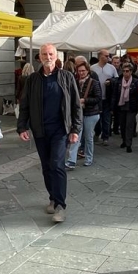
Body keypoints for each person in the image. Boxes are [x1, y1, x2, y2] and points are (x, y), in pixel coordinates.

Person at [17, 43, 82, 222]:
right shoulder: (32, 80)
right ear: (40, 57)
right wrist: (22, 126)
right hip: (40, 130)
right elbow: (25, 105)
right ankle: (53, 197)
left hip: (60, 130)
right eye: (44, 54)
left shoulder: (66, 77)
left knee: (57, 164)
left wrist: (75, 129)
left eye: (51, 54)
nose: (48, 57)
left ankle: (60, 205)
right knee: (46, 167)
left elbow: (76, 105)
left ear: (56, 56)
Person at [66, 62, 101, 169]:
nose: (81, 73)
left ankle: (89, 158)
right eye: (79, 71)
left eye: (83, 71)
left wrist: (84, 100)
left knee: (88, 137)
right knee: (75, 136)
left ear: (88, 71)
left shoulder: (94, 82)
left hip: (91, 113)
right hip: (78, 114)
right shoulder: (75, 82)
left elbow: (98, 98)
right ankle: (71, 160)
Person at [91, 49, 118, 145]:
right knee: (97, 118)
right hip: (96, 98)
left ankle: (105, 136)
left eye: (108, 56)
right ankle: (97, 132)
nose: (108, 58)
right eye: (106, 56)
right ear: (100, 56)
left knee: (106, 118)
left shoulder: (112, 68)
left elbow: (117, 80)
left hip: (107, 97)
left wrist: (110, 81)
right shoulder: (92, 68)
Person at [114, 62, 138, 153]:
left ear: (131, 72)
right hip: (121, 106)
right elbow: (115, 94)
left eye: (127, 71)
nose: (126, 73)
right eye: (124, 71)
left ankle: (129, 144)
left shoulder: (135, 81)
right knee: (123, 124)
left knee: (129, 125)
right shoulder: (119, 81)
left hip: (131, 106)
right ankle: (124, 141)